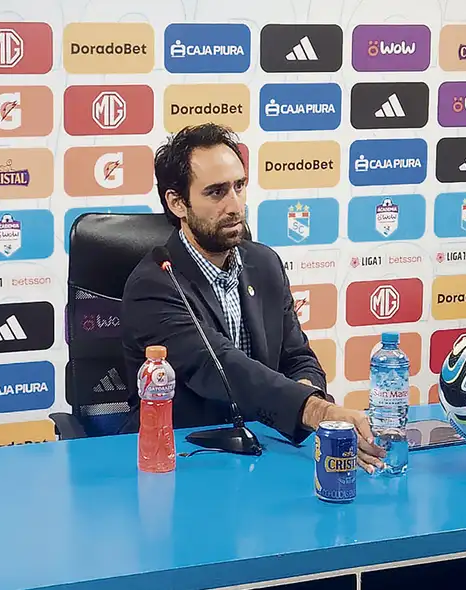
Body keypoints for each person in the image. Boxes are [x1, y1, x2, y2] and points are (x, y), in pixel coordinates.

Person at [120, 123, 386, 473]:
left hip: (265, 450)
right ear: (178, 203)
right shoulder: (155, 284)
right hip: (188, 459)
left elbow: (298, 357)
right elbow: (220, 366)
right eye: (216, 192)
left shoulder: (264, 264)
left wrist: (305, 391)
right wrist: (315, 410)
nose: (234, 206)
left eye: (239, 186)